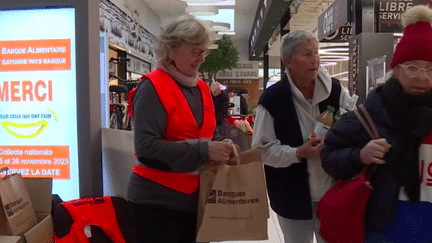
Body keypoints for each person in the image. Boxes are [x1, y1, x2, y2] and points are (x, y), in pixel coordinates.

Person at [321, 5, 432, 242]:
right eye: (412, 68)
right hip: (384, 231)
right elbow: (329, 157)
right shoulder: (369, 115)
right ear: (396, 69)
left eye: (430, 69)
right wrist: (359, 155)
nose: (422, 77)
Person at [127, 15, 234, 243]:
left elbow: (205, 132)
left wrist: (220, 143)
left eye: (204, 52)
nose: (201, 59)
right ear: (171, 49)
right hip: (157, 204)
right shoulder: (152, 87)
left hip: (195, 200)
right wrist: (204, 151)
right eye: (195, 51)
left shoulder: (202, 87)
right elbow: (146, 148)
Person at [251, 30, 358, 243]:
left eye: (316, 53)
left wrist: (333, 141)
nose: (315, 59)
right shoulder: (273, 100)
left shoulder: (336, 92)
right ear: (288, 61)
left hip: (333, 192)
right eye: (307, 54)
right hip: (290, 195)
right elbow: (261, 151)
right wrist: (298, 153)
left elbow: (354, 127)